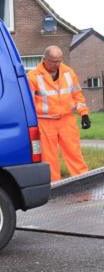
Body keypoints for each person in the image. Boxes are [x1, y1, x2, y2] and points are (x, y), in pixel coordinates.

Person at [27, 45, 92, 182]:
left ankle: (84, 185)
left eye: (59, 61)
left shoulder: (68, 73)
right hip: (45, 122)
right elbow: (29, 104)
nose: (57, 64)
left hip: (67, 120)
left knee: (75, 155)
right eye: (54, 61)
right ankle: (54, 191)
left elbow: (77, 96)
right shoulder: (33, 77)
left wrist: (84, 114)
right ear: (44, 59)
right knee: (49, 160)